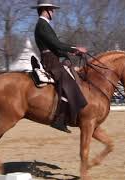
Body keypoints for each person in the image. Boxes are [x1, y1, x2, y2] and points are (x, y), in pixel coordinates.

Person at [32, 0, 88, 133]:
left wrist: (73, 52)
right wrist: (74, 48)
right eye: (51, 9)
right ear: (45, 10)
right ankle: (60, 118)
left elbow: (55, 47)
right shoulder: (42, 25)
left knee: (71, 74)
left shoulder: (45, 25)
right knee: (67, 81)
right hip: (50, 61)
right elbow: (56, 44)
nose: (53, 12)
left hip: (53, 58)